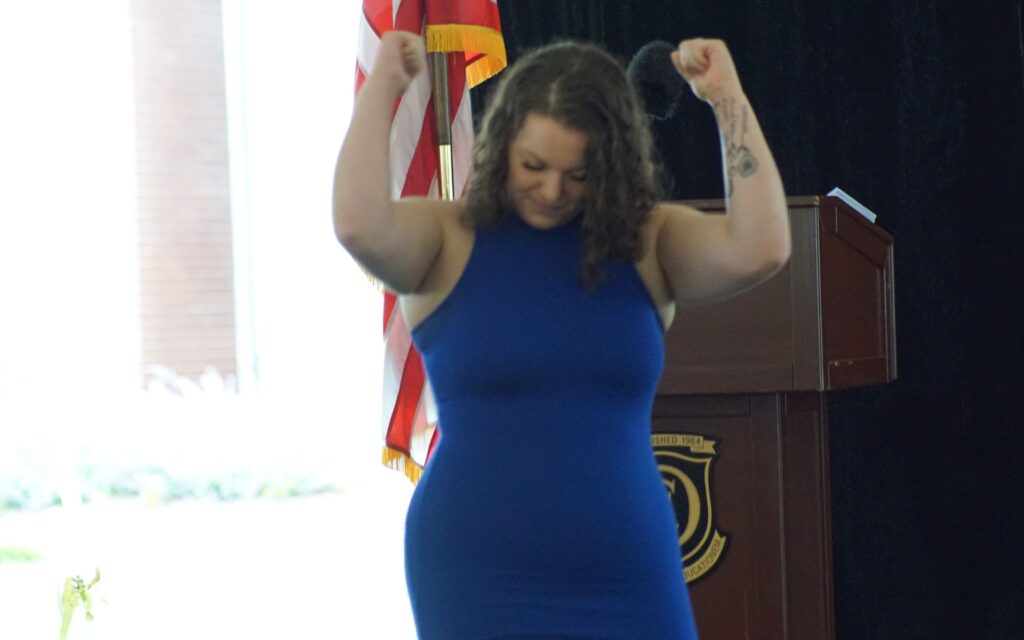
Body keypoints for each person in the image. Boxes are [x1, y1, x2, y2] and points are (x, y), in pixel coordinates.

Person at [334, 30, 789, 640]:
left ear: (612, 164)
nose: (551, 191)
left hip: (626, 566)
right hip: (475, 568)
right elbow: (359, 227)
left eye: (578, 174)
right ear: (502, 146)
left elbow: (760, 249)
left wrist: (726, 97)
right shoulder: (445, 235)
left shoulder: (646, 241)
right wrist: (384, 86)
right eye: (533, 166)